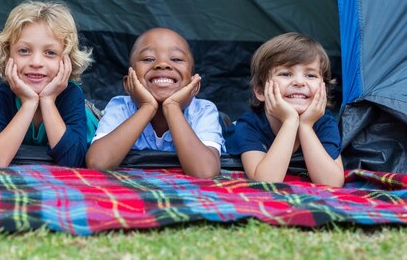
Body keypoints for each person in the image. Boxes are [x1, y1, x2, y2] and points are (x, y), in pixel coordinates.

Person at [86, 28, 223, 178]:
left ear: (194, 84)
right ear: (128, 84)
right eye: (148, 59)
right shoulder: (120, 107)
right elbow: (97, 163)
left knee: (223, 122)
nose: (162, 64)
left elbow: (205, 172)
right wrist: (147, 107)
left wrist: (172, 107)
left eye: (176, 59)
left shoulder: (203, 111)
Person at [0, 0, 93, 168]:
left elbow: (71, 160)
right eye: (24, 51)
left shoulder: (71, 95)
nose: (36, 62)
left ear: (66, 60)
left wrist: (47, 100)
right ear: (7, 55)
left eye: (50, 52)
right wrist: (29, 103)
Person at [224, 32, 344, 186]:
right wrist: (290, 121)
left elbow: (332, 182)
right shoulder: (248, 125)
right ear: (260, 90)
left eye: (310, 75)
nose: (299, 82)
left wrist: (306, 126)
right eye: (286, 73)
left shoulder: (324, 122)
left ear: (324, 89)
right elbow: (266, 181)